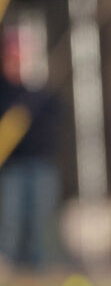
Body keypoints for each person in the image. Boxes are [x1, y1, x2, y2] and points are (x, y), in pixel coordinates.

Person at [0, 28, 60, 271]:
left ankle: (38, 269)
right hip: (12, 165)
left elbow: (53, 125)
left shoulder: (41, 93)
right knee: (10, 217)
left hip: (41, 164)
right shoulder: (4, 93)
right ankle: (7, 266)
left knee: (39, 220)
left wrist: (29, 112)